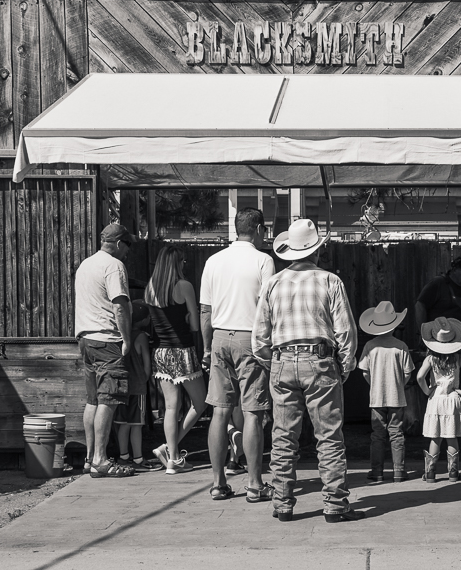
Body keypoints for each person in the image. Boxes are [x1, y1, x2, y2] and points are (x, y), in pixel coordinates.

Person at [253, 218, 363, 524]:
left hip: (282, 360)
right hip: (320, 360)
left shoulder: (272, 283)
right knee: (328, 436)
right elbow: (345, 332)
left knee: (283, 436)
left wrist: (273, 361)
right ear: (317, 250)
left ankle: (282, 503)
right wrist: (345, 363)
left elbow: (259, 337)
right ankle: (335, 505)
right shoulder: (329, 281)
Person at [200, 207, 276, 502]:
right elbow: (266, 307)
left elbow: (205, 310)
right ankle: (255, 484)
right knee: (252, 413)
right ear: (258, 229)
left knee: (219, 411)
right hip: (250, 339)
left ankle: (218, 483)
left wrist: (207, 347)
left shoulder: (214, 261)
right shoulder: (263, 260)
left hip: (219, 336)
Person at [75, 223, 136, 478]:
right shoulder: (114, 265)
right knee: (109, 399)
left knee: (93, 400)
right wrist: (127, 338)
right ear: (119, 244)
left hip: (86, 338)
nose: (128, 252)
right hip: (107, 339)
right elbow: (119, 305)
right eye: (128, 246)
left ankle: (90, 458)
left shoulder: (85, 264)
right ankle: (101, 459)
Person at [147, 245, 208, 475]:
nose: (185, 265)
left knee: (171, 407)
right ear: (176, 263)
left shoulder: (150, 288)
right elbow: (194, 324)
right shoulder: (184, 286)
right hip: (182, 351)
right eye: (182, 261)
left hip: (161, 352)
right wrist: (186, 317)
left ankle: (171, 457)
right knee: (200, 403)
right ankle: (168, 450)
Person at [357, 301, 414, 484]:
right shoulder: (401, 346)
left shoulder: (370, 347)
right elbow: (407, 372)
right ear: (394, 325)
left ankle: (377, 471)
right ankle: (399, 471)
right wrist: (398, 385)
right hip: (397, 397)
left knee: (377, 435)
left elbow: (365, 372)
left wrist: (374, 384)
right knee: (397, 433)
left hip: (376, 398)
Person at [417, 317, 461, 483]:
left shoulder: (430, 359)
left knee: (435, 437)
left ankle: (430, 473)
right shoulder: (458, 358)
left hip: (436, 399)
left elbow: (420, 376)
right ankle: (453, 473)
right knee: (451, 436)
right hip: (452, 400)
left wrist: (427, 391)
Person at [112, 301, 160, 472]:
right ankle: (138, 459)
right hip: (137, 386)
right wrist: (145, 379)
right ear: (145, 319)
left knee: (123, 424)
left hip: (121, 385)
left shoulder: (120, 334)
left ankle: (123, 457)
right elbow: (147, 363)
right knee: (137, 425)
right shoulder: (141, 337)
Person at [413, 256, 461, 333]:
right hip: (437, 336)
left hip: (459, 337)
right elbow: (420, 306)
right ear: (455, 270)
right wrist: (423, 332)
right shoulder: (438, 284)